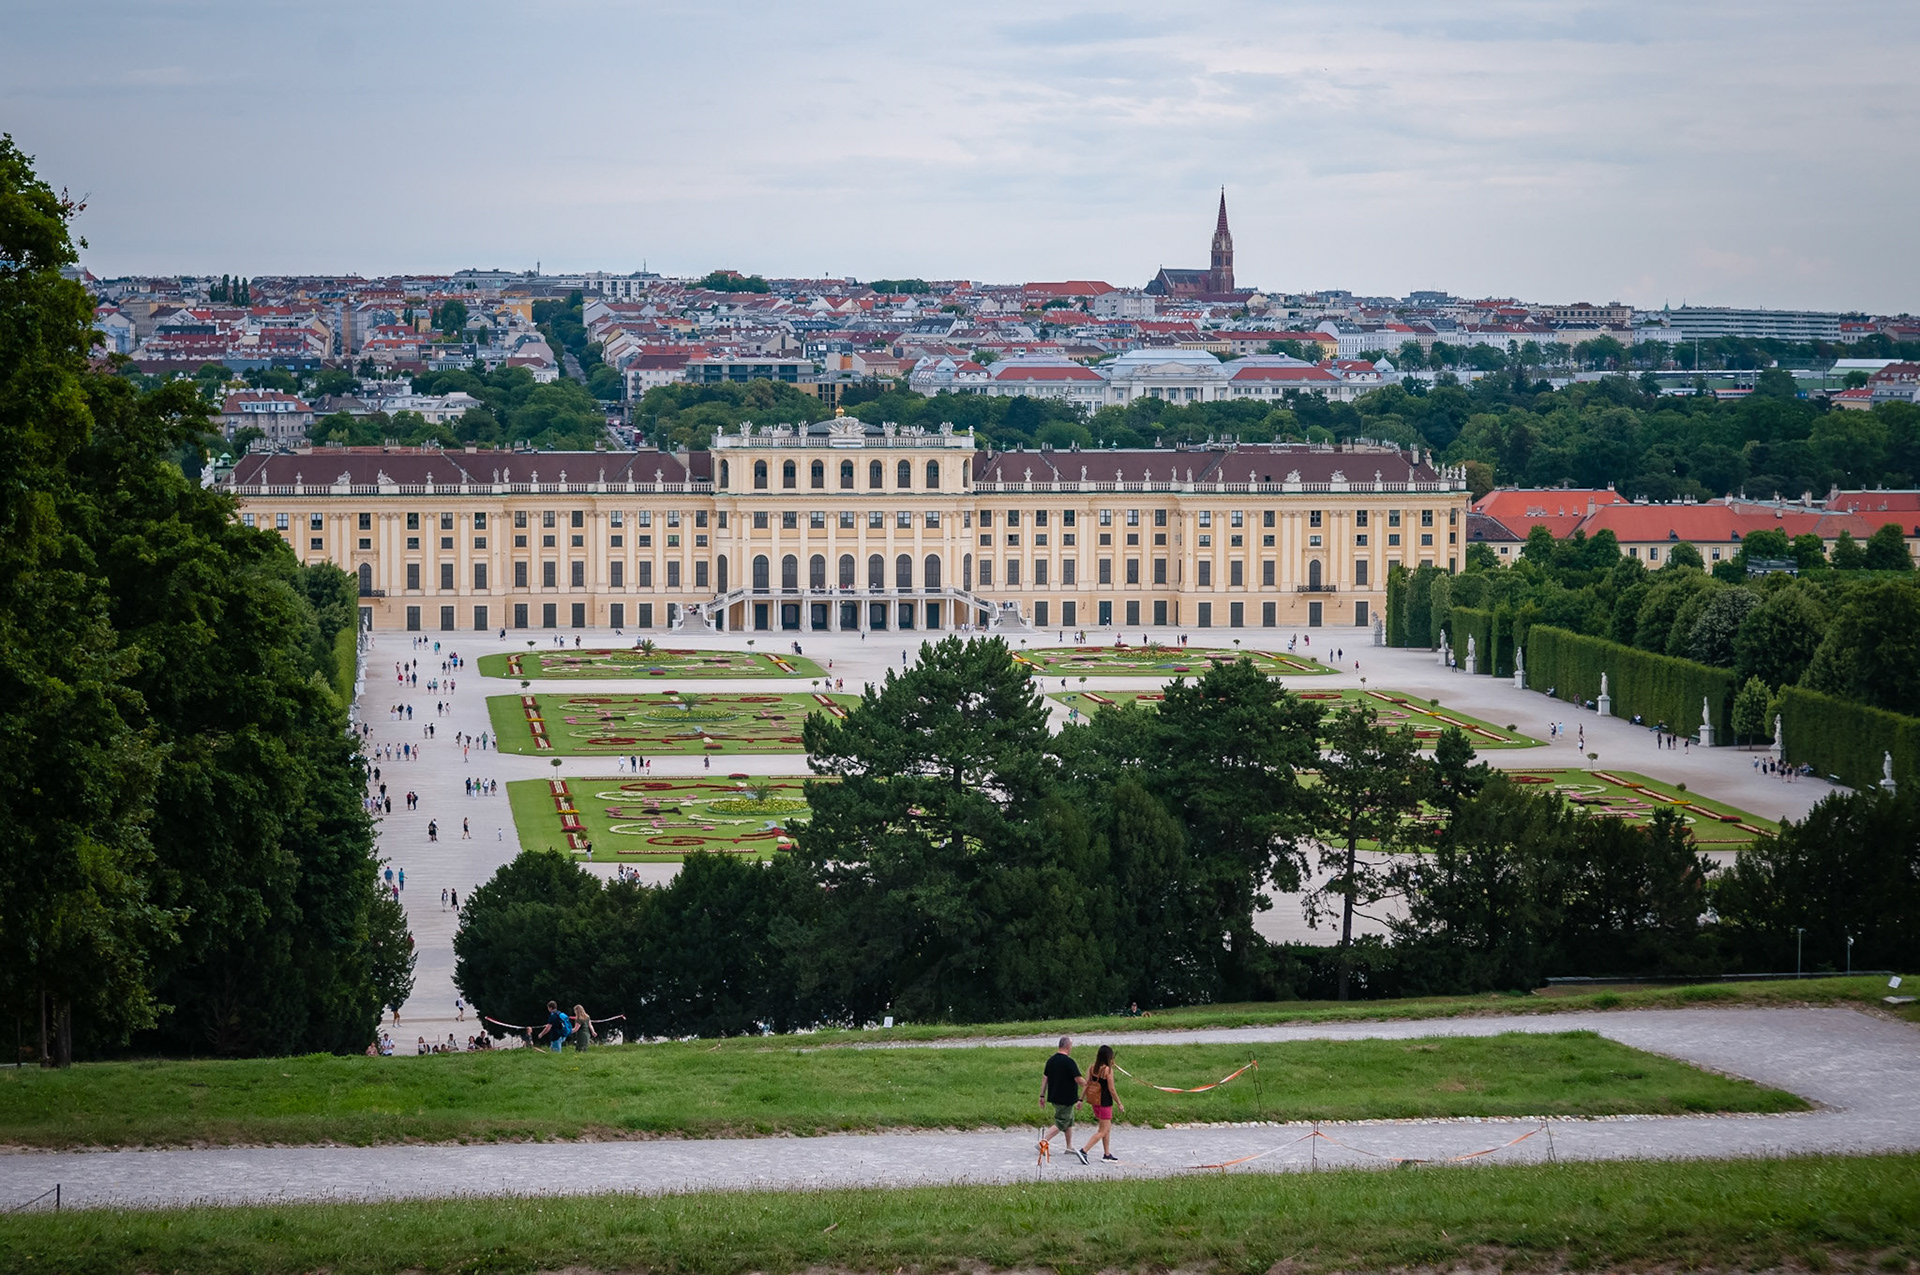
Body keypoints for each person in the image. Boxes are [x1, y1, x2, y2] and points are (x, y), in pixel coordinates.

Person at [1039, 1035, 1088, 1163]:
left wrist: (1042, 1095)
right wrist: (1088, 1085)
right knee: (1061, 1121)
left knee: (1069, 1121)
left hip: (1054, 1096)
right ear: (1067, 1046)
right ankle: (1043, 1141)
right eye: (1071, 1045)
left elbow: (1045, 1078)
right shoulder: (1069, 1062)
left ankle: (1069, 1147)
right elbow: (1078, 1079)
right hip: (1066, 1097)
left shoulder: (1051, 1060)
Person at [1084, 1045, 1123, 1162]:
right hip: (1105, 1103)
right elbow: (1111, 1089)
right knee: (1102, 1130)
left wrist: (1081, 1099)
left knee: (1107, 1127)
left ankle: (1107, 1153)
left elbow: (1087, 1085)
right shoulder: (1107, 1071)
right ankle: (1084, 1150)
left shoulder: (1091, 1068)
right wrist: (1119, 1103)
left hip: (1095, 1102)